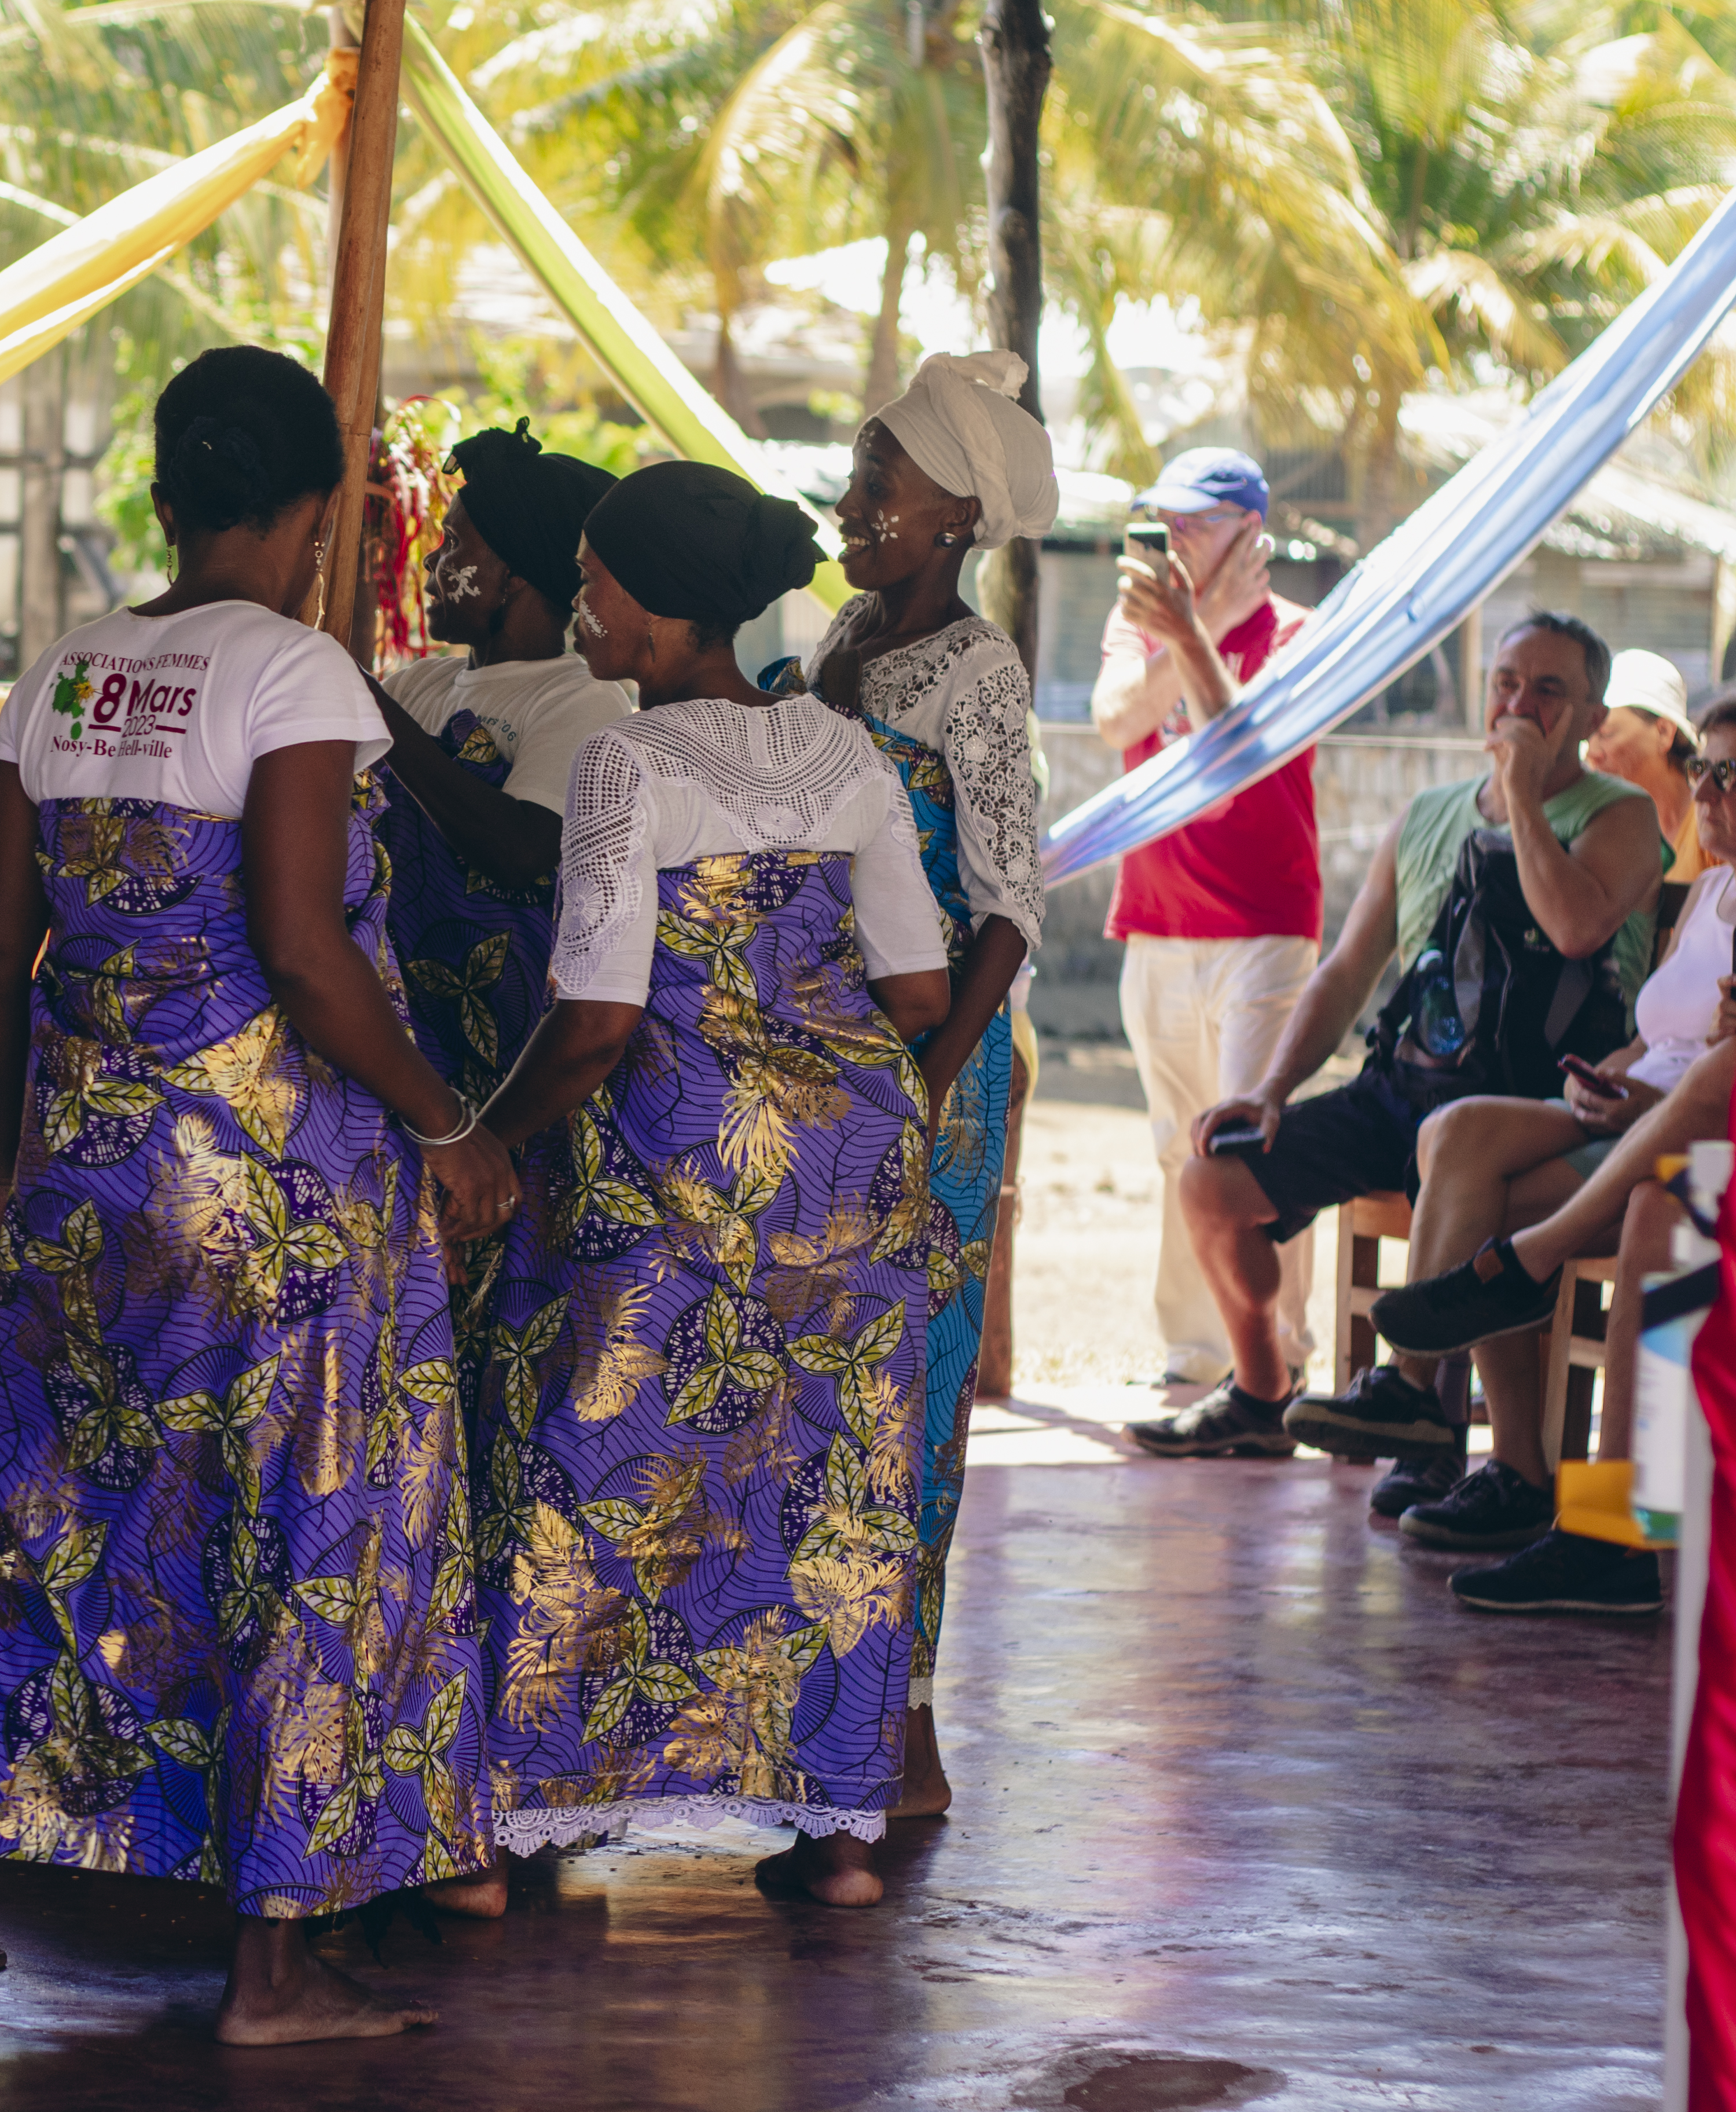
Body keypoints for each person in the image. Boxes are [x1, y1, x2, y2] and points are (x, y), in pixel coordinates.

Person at [0, 344, 516, 2045]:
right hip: (277, 1195)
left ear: (166, 493)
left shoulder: (70, 673)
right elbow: (303, 944)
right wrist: (445, 1121)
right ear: (311, 509)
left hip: (90, 1176)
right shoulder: (295, 675)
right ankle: (274, 1970)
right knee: (303, 1529)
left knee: (39, 1516)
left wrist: (16, 1172)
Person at [456, 460, 949, 1915]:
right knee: (836, 1486)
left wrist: (483, 1132)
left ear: (662, 614)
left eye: (599, 579)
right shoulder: (843, 754)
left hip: (677, 1164)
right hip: (854, 1164)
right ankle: (838, 1840)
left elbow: (597, 1018)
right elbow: (915, 986)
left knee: (587, 1475)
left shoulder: (632, 759)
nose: (584, 603)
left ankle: (527, 1816)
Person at [1135, 614, 1665, 1507]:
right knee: (1211, 1184)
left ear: (1589, 715)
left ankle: (1428, 1420)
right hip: (1402, 1086)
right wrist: (1270, 1090)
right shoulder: (1425, 816)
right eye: (1506, 682)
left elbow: (1577, 927)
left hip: (1532, 1101)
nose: (1520, 704)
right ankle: (1265, 1392)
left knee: (1457, 1165)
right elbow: (1348, 969)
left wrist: (1525, 797)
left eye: (1549, 690)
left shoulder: (1621, 815)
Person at [801, 349, 1049, 1818]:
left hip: (928, 1069)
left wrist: (930, 1083)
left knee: (916, 1376)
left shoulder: (978, 669)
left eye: (875, 484)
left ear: (955, 513)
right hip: (834, 1051)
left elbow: (1008, 903)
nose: (850, 504)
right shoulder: (842, 635)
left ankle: (901, 1726)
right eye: (852, 477)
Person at [1353, 690, 1736, 1585]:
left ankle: (1611, 1532)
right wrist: (1617, 1076)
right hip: (1653, 1118)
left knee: (1657, 1205)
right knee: (1462, 1137)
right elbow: (1662, 1035)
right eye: (1703, 769)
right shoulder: (1714, 884)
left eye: (1730, 773)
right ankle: (1469, 1431)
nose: (1708, 789)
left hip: (1697, 1148)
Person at [1089, 446, 1320, 1391]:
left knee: (1244, 1148)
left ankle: (1278, 1351)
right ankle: (1196, 1350)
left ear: (1249, 531)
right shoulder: (1137, 619)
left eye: (1196, 519)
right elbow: (1115, 721)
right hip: (1155, 922)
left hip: (1262, 924)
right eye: (1166, 518)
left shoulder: (1301, 633)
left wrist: (1198, 639)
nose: (1176, 535)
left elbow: (1236, 769)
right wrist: (1190, 630)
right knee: (1170, 1142)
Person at [366, 421, 626, 1102]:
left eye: (452, 546)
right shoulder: (414, 685)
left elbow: (521, 848)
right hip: (398, 1028)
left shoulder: (584, 699)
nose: (430, 565)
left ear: (509, 575)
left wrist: (376, 715)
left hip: (503, 1046)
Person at [1591, 648, 1710, 883]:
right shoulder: (1606, 827)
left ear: (1664, 732)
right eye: (1588, 737)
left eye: (1606, 734)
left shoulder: (1714, 823)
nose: (1592, 754)